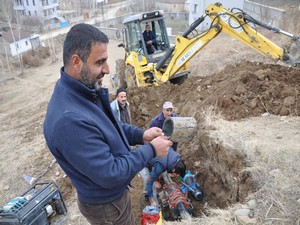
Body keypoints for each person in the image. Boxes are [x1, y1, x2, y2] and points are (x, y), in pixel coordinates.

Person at [43, 23, 173, 225]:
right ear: (77, 62)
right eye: (100, 62)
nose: (108, 69)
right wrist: (151, 150)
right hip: (107, 207)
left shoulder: (82, 92)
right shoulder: (69, 121)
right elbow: (110, 173)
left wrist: (141, 135)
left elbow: (107, 128)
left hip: (112, 198)